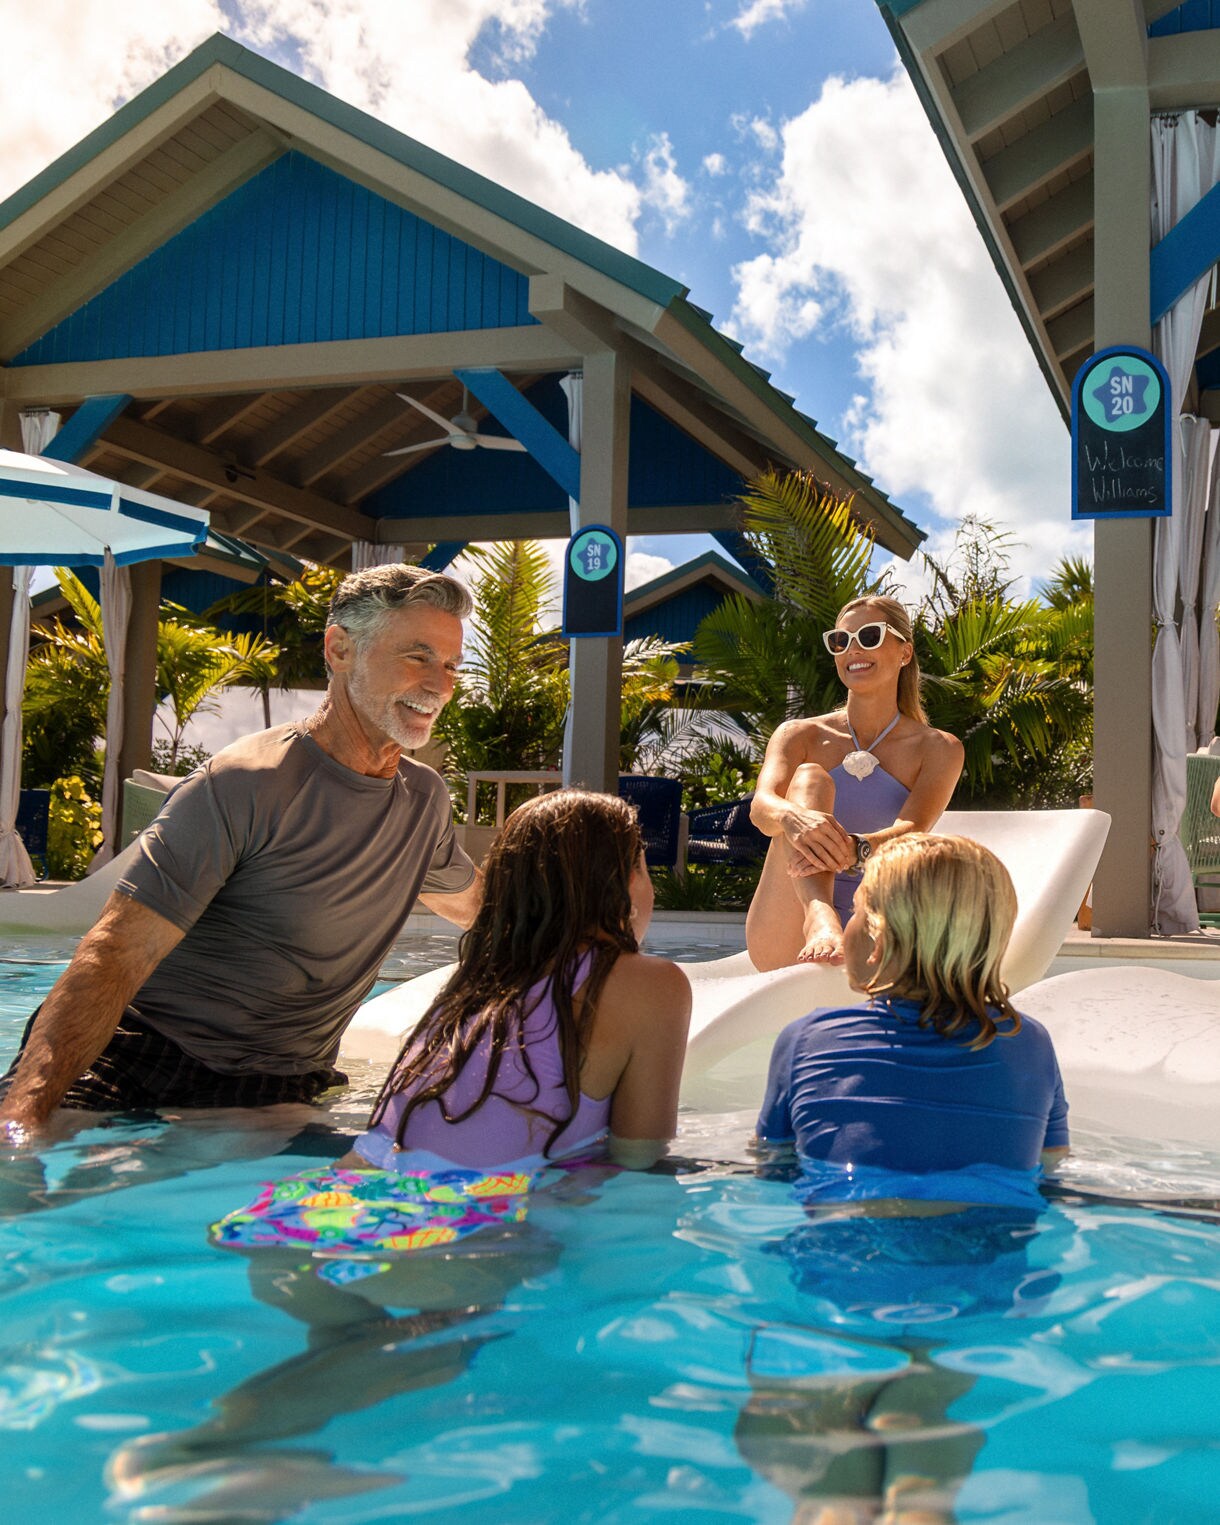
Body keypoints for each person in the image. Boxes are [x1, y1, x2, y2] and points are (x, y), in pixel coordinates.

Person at [0, 562, 484, 1138]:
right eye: (418, 656)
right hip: (137, 1053)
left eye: (451, 665)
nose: (440, 685)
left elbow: (476, 906)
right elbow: (114, 953)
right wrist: (22, 1116)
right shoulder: (246, 782)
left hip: (274, 1081)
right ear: (339, 649)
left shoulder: (423, 800)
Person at [211, 786, 693, 1267]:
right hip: (462, 1221)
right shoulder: (653, 985)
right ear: (624, 884)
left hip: (322, 1203)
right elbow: (638, 1155)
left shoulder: (476, 986)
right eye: (643, 868)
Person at [739, 834, 1070, 1524]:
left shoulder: (808, 1039)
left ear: (881, 938)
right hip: (984, 1267)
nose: (846, 922)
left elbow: (772, 1170)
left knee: (824, 1447)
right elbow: (1051, 1169)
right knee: (928, 1415)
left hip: (846, 1258)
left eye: (855, 909)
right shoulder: (1031, 1043)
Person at [745, 594, 963, 969]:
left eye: (870, 636)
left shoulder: (939, 748)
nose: (853, 649)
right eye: (841, 640)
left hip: (880, 914)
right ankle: (819, 913)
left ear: (905, 652)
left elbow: (912, 831)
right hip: (787, 923)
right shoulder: (798, 734)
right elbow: (761, 808)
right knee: (810, 777)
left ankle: (834, 921)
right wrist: (792, 818)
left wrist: (855, 848)